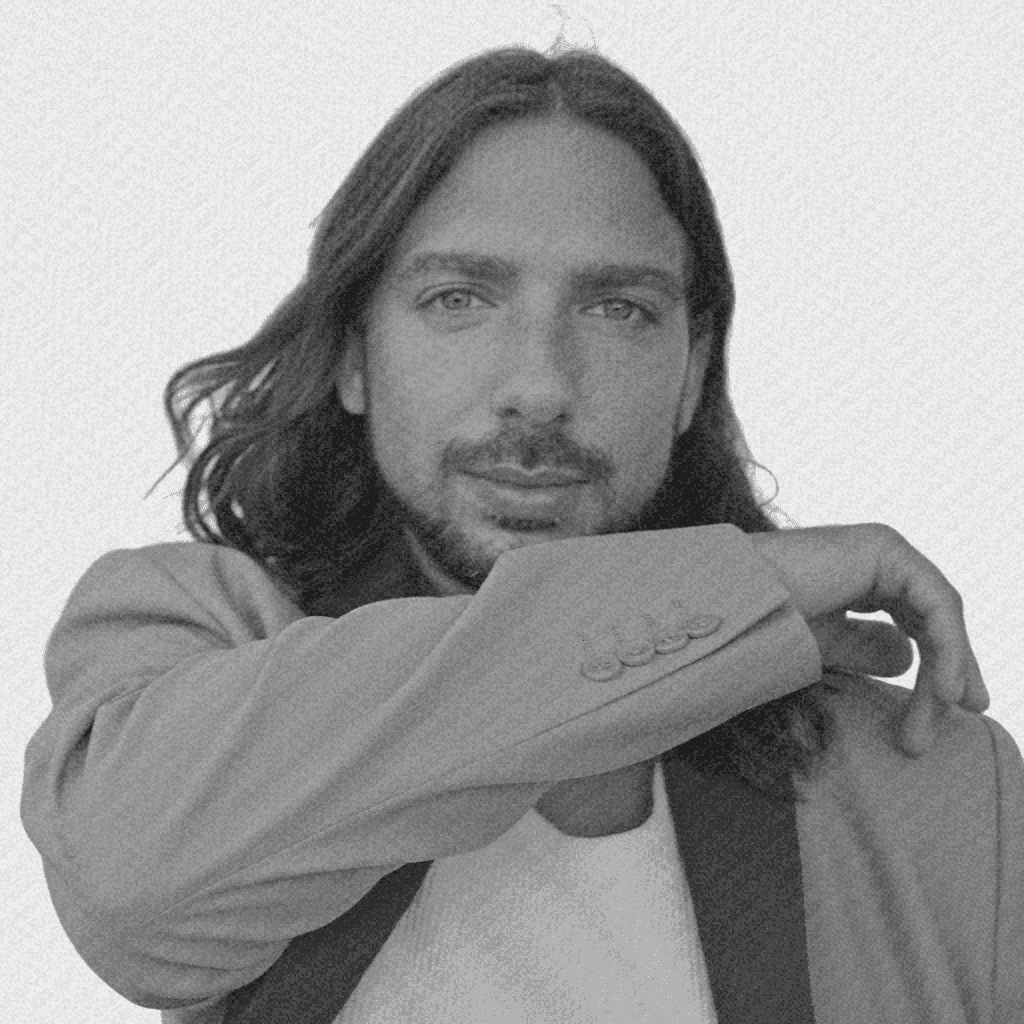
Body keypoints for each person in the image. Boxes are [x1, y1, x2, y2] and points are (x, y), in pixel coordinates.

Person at [21, 45, 1022, 1024]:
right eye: (459, 299)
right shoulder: (195, 638)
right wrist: (730, 590)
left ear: (690, 370)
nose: (539, 385)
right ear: (354, 355)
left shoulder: (933, 784)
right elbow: (130, 891)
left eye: (618, 309)